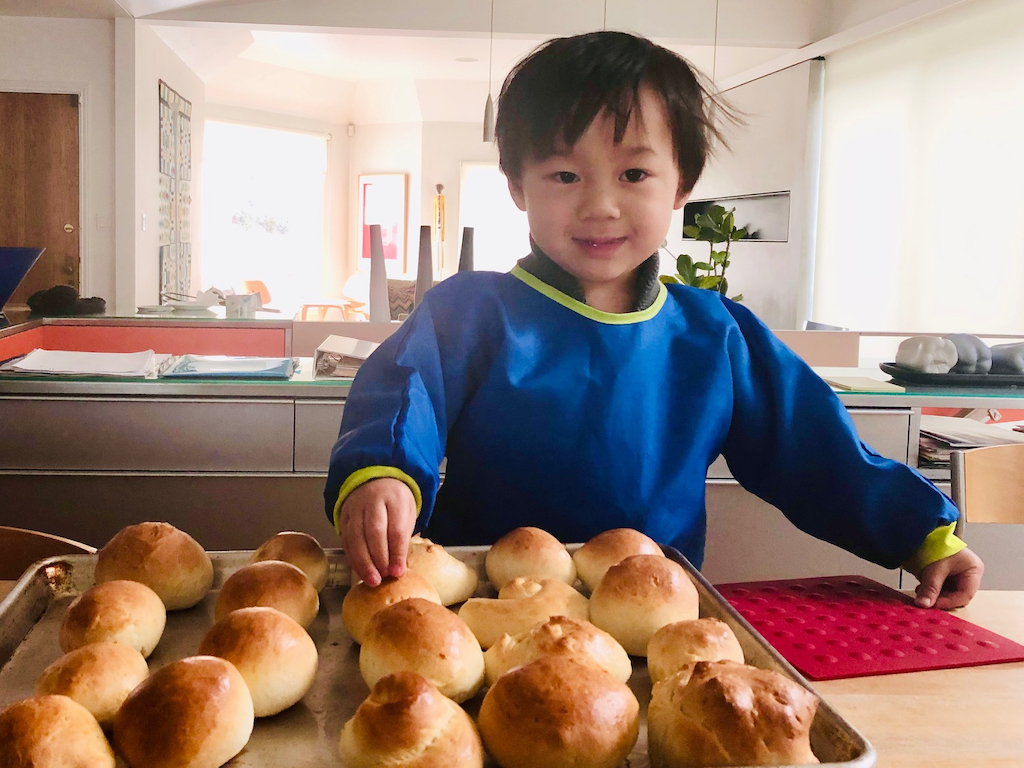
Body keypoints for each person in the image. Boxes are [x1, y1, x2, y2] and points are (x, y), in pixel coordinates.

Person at [325, 31, 983, 609]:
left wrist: (921, 534)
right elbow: (399, 393)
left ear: (681, 185)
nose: (601, 205)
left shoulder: (715, 335)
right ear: (518, 187)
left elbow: (818, 452)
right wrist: (382, 473)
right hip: (480, 611)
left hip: (650, 616)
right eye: (563, 175)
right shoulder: (467, 312)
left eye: (634, 172)